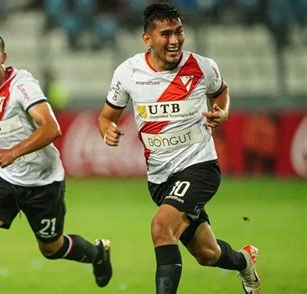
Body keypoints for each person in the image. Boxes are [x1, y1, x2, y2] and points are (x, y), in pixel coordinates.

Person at [97, 3, 260, 294]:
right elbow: (106, 116)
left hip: (200, 167)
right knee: (207, 254)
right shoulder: (128, 73)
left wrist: (221, 111)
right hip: (160, 179)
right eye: (166, 34)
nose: (174, 40)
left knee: (161, 228)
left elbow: (221, 92)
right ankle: (245, 261)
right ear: (147, 38)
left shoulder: (202, 66)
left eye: (179, 32)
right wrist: (106, 130)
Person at [0, 31, 112, 293]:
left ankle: (97, 253)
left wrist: (14, 151)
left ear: (3, 57)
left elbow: (52, 128)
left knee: (51, 248)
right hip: (4, 178)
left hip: (42, 182)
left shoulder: (23, 87)